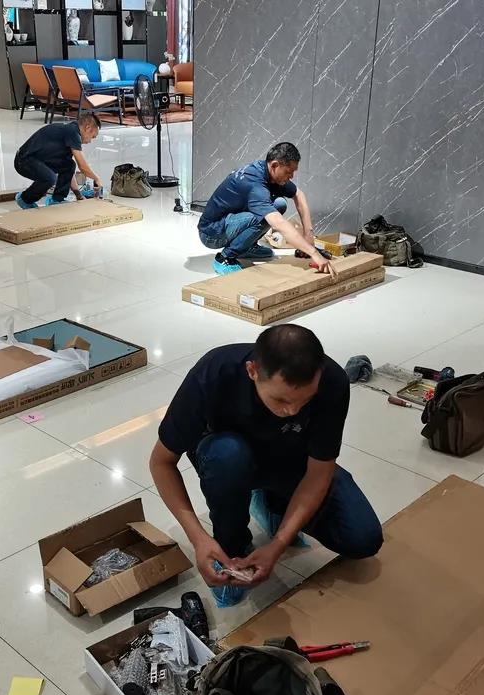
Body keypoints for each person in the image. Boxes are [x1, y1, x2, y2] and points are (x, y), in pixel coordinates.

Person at [149, 324, 383, 607]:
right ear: (252, 371)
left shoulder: (331, 381)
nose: (292, 410)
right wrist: (198, 538)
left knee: (363, 539)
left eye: (305, 400)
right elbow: (161, 463)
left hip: (290, 459)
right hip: (227, 462)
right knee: (227, 454)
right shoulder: (215, 372)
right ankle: (231, 549)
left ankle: (274, 503)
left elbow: (318, 473)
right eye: (281, 399)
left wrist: (278, 544)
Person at [198, 142, 334, 276]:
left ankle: (246, 246)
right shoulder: (255, 185)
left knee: (279, 204)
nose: (291, 177)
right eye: (288, 172)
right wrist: (313, 253)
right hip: (212, 233)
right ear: (274, 165)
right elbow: (278, 223)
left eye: (293, 172)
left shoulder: (266, 170)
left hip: (229, 221)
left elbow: (299, 194)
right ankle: (225, 258)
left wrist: (308, 235)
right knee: (267, 215)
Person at [13, 113, 103, 209]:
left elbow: (69, 170)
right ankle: (24, 199)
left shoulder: (71, 133)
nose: (90, 141)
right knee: (50, 178)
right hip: (23, 161)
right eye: (92, 136)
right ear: (88, 128)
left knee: (69, 165)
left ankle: (57, 200)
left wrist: (78, 194)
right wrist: (96, 178)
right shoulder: (72, 132)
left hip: (37, 160)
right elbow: (82, 166)